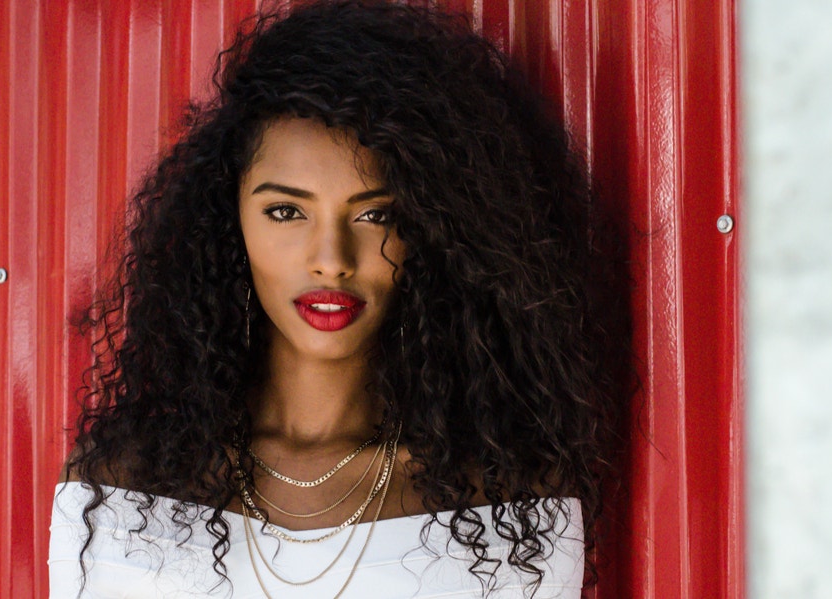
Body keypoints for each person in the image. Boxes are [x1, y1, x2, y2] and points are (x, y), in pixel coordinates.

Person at [48, 1, 632, 597]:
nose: (331, 255)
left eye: (375, 214)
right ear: (229, 224)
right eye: (286, 211)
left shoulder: (508, 502)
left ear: (431, 233)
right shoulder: (116, 488)